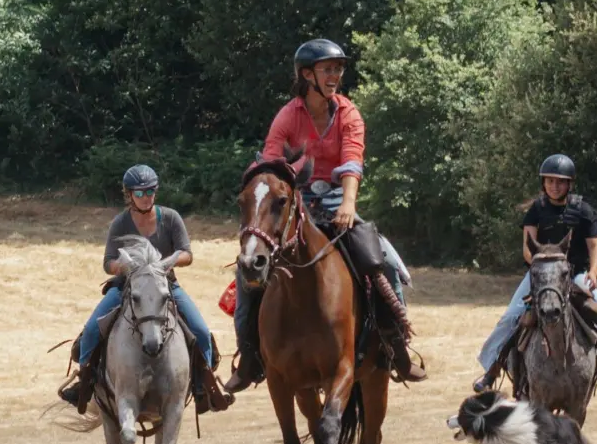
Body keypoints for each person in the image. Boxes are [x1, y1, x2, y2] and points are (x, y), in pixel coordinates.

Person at [222, 38, 426, 393]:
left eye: (338, 69)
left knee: (385, 261)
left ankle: (396, 347)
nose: (335, 75)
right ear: (307, 74)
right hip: (294, 202)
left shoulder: (349, 114)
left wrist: (348, 203)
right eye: (328, 69)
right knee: (246, 272)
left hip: (336, 200)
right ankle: (251, 355)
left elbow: (352, 160)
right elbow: (273, 165)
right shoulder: (287, 116)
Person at [58, 165, 233, 415]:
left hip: (165, 286)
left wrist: (170, 261)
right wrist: (123, 266)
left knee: (202, 332)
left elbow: (187, 254)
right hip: (127, 287)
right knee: (90, 331)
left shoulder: (171, 218)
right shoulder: (120, 223)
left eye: (150, 191)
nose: (146, 197)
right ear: (129, 195)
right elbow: (108, 263)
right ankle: (84, 383)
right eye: (140, 193)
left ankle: (205, 385)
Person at [470, 154, 597, 392]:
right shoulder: (536, 210)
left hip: (573, 274)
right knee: (511, 317)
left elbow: (594, 247)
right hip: (540, 274)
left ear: (569, 184)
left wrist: (594, 273)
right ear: (543, 183)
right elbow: (528, 246)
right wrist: (541, 264)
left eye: (560, 182)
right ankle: (491, 369)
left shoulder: (584, 211)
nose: (554, 186)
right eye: (550, 181)